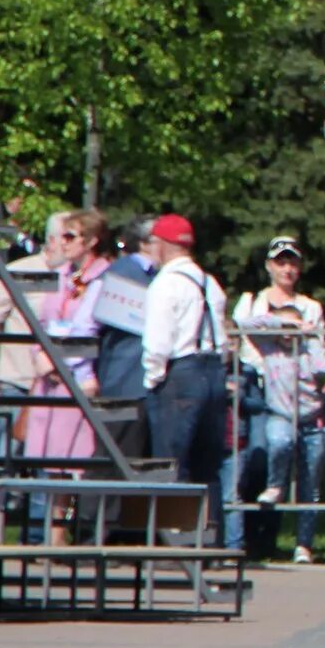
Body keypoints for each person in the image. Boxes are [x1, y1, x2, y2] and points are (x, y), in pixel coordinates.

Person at [233, 236, 325, 561]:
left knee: (309, 479)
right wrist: (285, 322)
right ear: (269, 265)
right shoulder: (255, 301)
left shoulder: (311, 307)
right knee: (267, 454)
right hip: (263, 390)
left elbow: (322, 362)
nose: (287, 268)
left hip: (307, 407)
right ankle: (250, 535)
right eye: (280, 261)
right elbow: (243, 328)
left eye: (292, 262)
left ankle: (301, 543)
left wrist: (309, 333)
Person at [19, 210, 114, 544]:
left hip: (79, 378)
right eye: (62, 236)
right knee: (49, 459)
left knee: (73, 458)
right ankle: (50, 534)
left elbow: (88, 329)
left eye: (71, 236)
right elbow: (42, 324)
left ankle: (63, 536)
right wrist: (40, 355)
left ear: (91, 241)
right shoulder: (60, 276)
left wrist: (61, 362)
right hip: (49, 377)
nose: (63, 243)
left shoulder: (103, 279)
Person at [139, 214, 230, 522]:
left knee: (171, 461)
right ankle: (211, 539)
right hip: (214, 371)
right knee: (209, 463)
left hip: (181, 373)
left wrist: (153, 379)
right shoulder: (210, 283)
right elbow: (224, 338)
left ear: (163, 245)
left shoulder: (165, 284)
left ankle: (174, 539)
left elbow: (158, 342)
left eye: (152, 242)